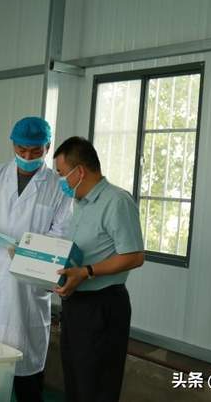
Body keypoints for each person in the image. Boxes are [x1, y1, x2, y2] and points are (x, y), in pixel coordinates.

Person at [0, 117, 71, 402]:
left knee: (26, 377)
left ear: (47, 147)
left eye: (35, 151)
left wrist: (30, 252)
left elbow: (61, 234)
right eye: (22, 150)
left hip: (26, 290)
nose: (28, 157)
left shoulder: (58, 187)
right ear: (13, 145)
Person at [52, 136, 145, 402]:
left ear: (79, 171)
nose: (60, 181)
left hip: (102, 306)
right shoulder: (80, 203)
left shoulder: (116, 201)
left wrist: (87, 272)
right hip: (76, 302)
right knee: (76, 381)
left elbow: (134, 256)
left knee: (96, 386)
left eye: (61, 173)